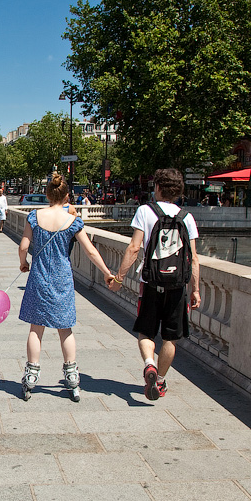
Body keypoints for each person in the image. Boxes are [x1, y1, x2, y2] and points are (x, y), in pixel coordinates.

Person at [18, 173, 115, 401]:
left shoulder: (34, 217)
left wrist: (23, 263)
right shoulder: (73, 221)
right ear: (67, 197)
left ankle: (31, 374)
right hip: (62, 279)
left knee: (36, 328)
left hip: (39, 278)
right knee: (65, 328)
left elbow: (24, 246)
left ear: (47, 195)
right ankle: (71, 376)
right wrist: (107, 273)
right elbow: (91, 251)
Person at [107, 168, 200, 401]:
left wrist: (119, 278)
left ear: (157, 187)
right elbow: (194, 258)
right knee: (170, 339)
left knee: (146, 332)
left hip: (150, 284)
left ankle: (149, 365)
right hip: (177, 287)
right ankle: (159, 381)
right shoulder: (187, 217)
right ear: (178, 191)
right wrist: (196, 289)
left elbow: (134, 248)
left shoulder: (145, 212)